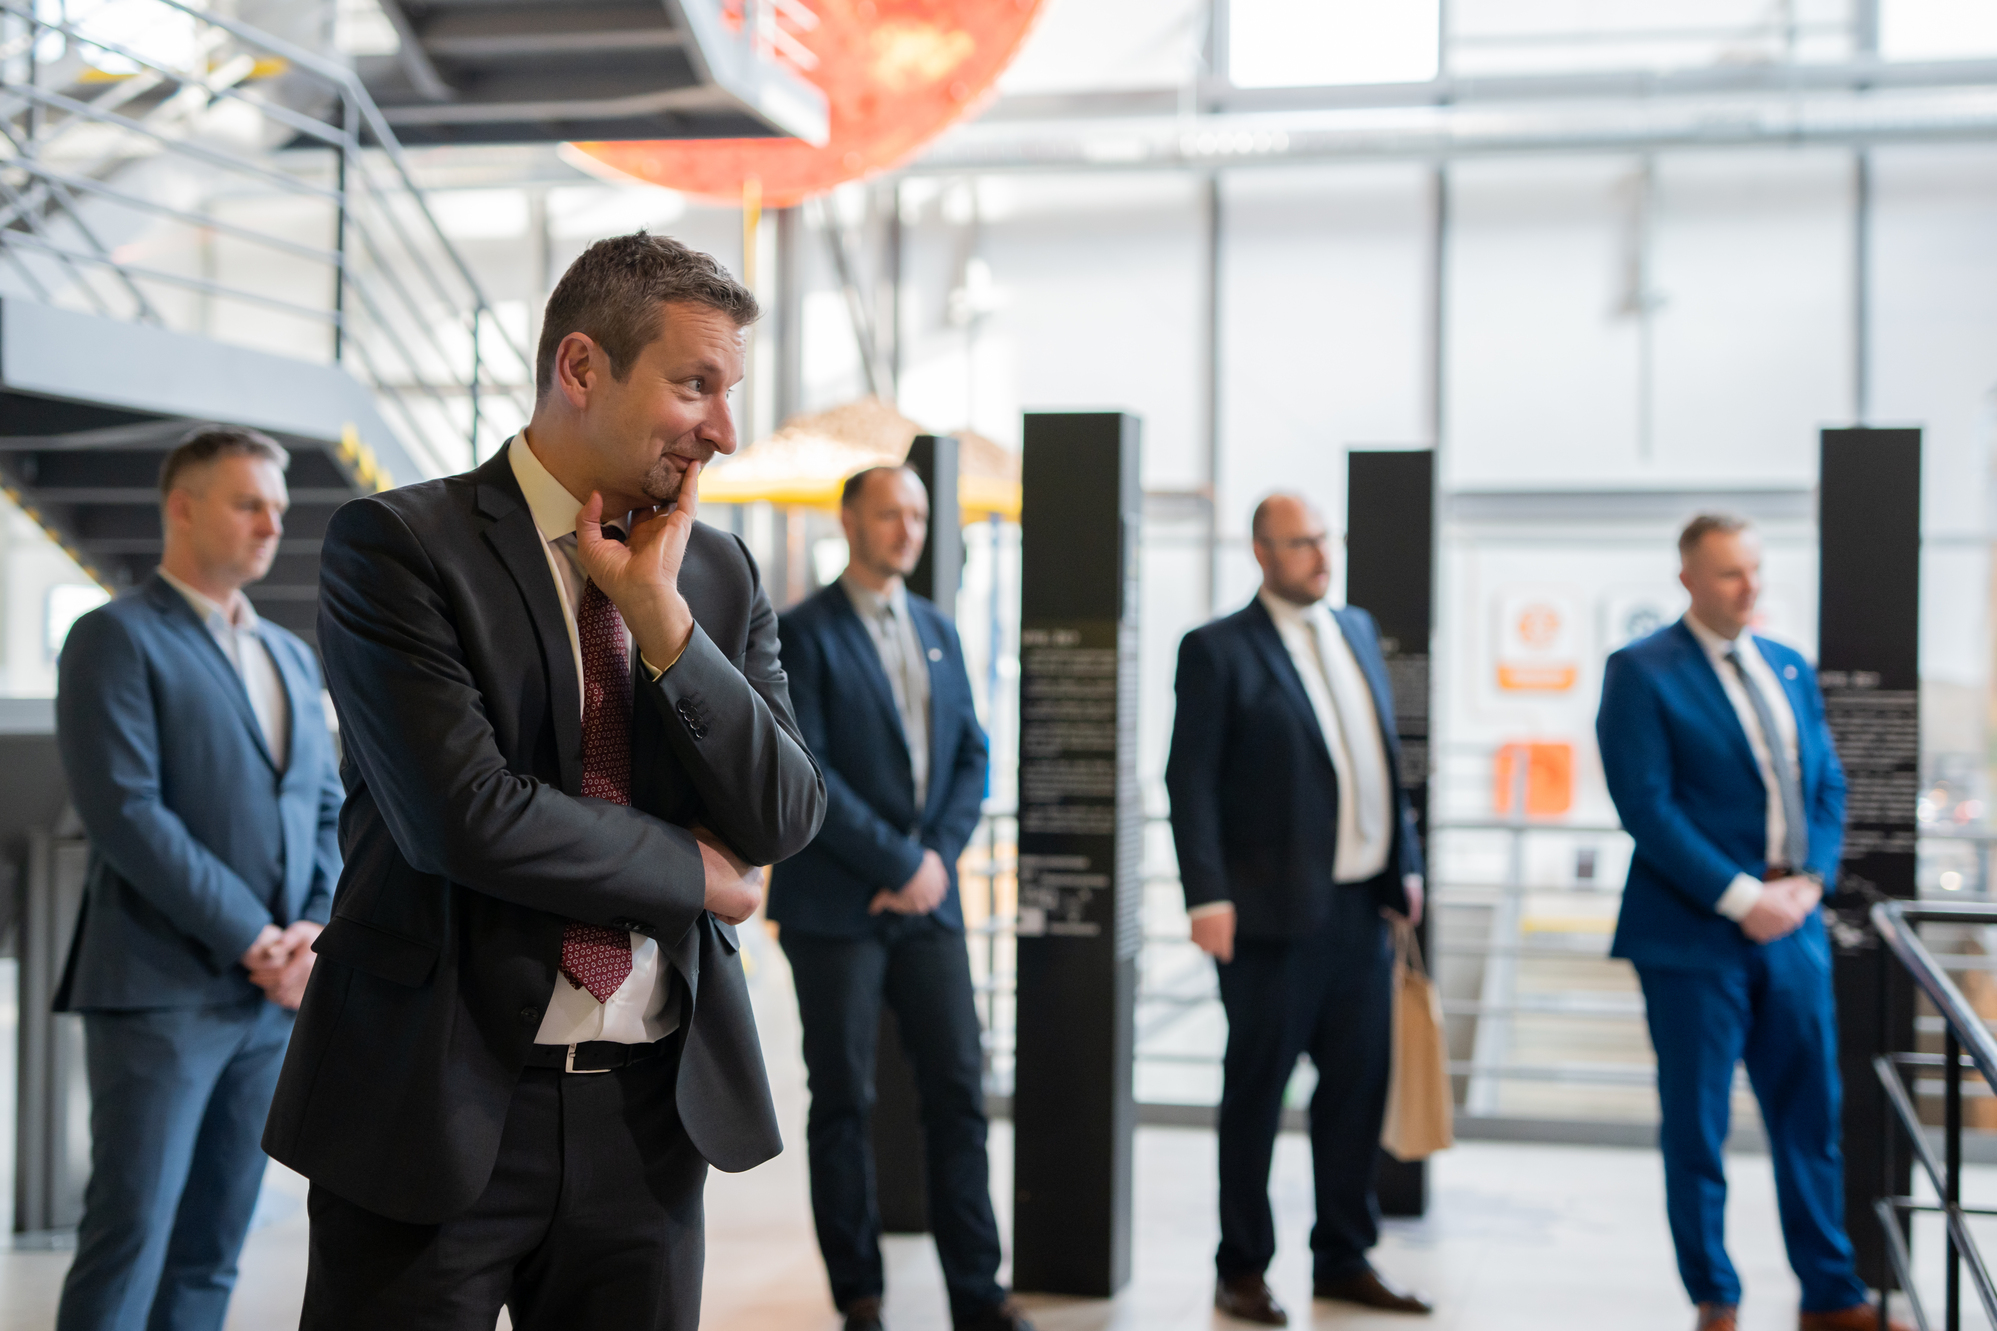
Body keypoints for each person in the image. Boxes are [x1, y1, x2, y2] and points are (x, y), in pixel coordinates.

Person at [262, 232, 827, 1330]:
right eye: (695, 385)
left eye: (728, 392)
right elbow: (465, 817)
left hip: (652, 1115)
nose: (723, 430)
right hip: (433, 1103)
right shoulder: (399, 545)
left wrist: (662, 624)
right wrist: (693, 871)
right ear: (580, 367)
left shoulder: (713, 571)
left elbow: (783, 812)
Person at [51, 426, 344, 1331]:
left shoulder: (291, 655)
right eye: (248, 503)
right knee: (130, 1232)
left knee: (215, 1241)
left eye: (277, 508)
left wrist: (314, 931)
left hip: (270, 1002)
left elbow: (327, 805)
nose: (272, 525)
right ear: (182, 507)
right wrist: (253, 936)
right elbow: (126, 812)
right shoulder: (114, 637)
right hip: (160, 990)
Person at [1597, 514, 1909, 1331]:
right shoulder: (1640, 670)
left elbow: (1827, 783)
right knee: (1697, 1129)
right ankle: (1716, 1299)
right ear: (1688, 579)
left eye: (1755, 569)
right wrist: (1743, 897)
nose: (1749, 586)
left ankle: (1830, 1295)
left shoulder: (1787, 664)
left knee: (1811, 1117)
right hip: (1691, 935)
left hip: (1793, 927)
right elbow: (1646, 807)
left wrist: (1808, 882)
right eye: (1730, 572)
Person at [772, 466, 1032, 1331]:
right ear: (850, 521)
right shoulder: (801, 631)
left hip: (929, 905)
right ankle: (860, 1296)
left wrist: (934, 862)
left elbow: (971, 754)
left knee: (959, 1091)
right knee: (843, 1099)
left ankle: (977, 1293)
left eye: (917, 515)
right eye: (890, 513)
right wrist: (895, 863)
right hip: (835, 907)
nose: (908, 529)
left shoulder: (938, 628)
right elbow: (807, 768)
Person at [1165, 492, 1430, 1326]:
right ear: (1261, 552)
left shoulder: (1355, 629)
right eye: (1300, 542)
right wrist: (1206, 895)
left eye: (1324, 538)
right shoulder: (1216, 649)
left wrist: (1405, 865)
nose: (1321, 555)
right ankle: (1241, 1267)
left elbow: (1382, 758)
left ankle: (1343, 1255)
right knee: (1256, 1096)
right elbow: (1189, 781)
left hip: (1361, 910)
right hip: (1266, 917)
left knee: (1354, 1091)